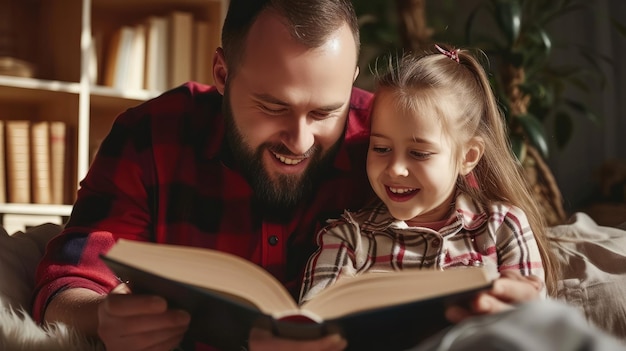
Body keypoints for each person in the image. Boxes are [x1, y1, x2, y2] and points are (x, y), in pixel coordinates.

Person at [32, 0, 546, 349]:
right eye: (272, 106)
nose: (299, 141)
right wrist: (99, 317)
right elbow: (69, 278)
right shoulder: (152, 134)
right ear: (222, 73)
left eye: (325, 112)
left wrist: (520, 305)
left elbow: (477, 233)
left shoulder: (388, 138)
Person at [300, 46, 559, 311]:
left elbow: (539, 326)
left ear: (467, 157)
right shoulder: (346, 239)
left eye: (419, 153)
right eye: (381, 148)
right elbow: (312, 325)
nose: (395, 169)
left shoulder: (503, 227)